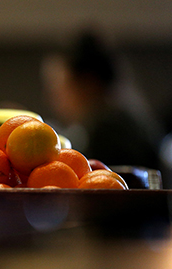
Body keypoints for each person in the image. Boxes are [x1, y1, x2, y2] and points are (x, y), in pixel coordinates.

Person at [41, 28, 163, 170]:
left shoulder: (110, 133)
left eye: (58, 86)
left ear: (88, 84)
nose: (52, 97)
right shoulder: (122, 116)